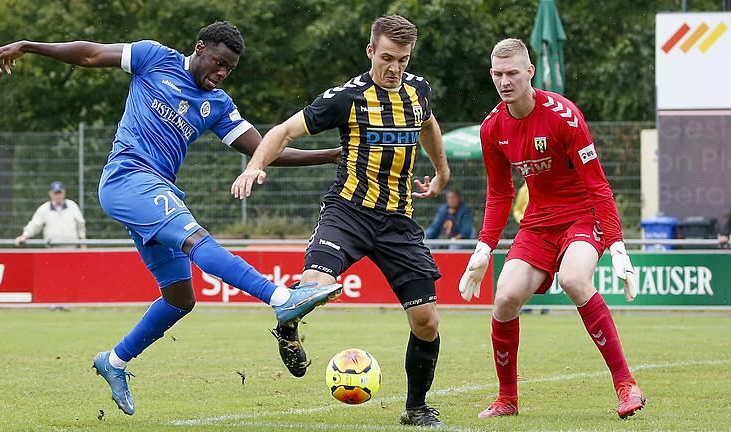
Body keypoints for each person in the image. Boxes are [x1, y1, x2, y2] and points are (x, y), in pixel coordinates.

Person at [0, 21, 343, 416]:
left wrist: (327, 155)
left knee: (179, 298)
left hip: (158, 191)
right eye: (219, 62)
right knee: (196, 239)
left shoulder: (219, 105)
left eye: (230, 68)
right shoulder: (154, 57)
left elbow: (262, 152)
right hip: (127, 177)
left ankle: (115, 361)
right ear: (200, 48)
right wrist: (30, 45)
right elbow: (88, 54)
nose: (222, 72)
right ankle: (280, 298)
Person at [232, 15, 450, 427]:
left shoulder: (418, 90)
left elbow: (429, 124)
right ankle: (288, 327)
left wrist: (442, 173)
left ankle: (416, 408)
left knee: (427, 321)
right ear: (371, 51)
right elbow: (283, 130)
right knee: (313, 286)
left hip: (399, 222)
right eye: (386, 58)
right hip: (347, 213)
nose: (394, 68)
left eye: (402, 60)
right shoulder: (346, 98)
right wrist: (254, 165)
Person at [457, 39, 646, 420]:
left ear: (530, 72)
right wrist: (482, 249)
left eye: (512, 73)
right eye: (497, 74)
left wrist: (618, 246)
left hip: (581, 215)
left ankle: (626, 385)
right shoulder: (492, 128)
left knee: (576, 279)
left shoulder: (564, 115)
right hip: (537, 225)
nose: (505, 81)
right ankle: (507, 399)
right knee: (505, 298)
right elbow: (499, 194)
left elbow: (598, 186)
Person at [14, 181, 86, 248]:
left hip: (71, 248)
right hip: (52, 248)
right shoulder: (44, 208)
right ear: (50, 193)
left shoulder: (72, 206)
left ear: (64, 193)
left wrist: (83, 242)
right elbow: (35, 224)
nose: (58, 195)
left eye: (59, 192)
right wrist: (25, 235)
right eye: (55, 193)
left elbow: (80, 223)